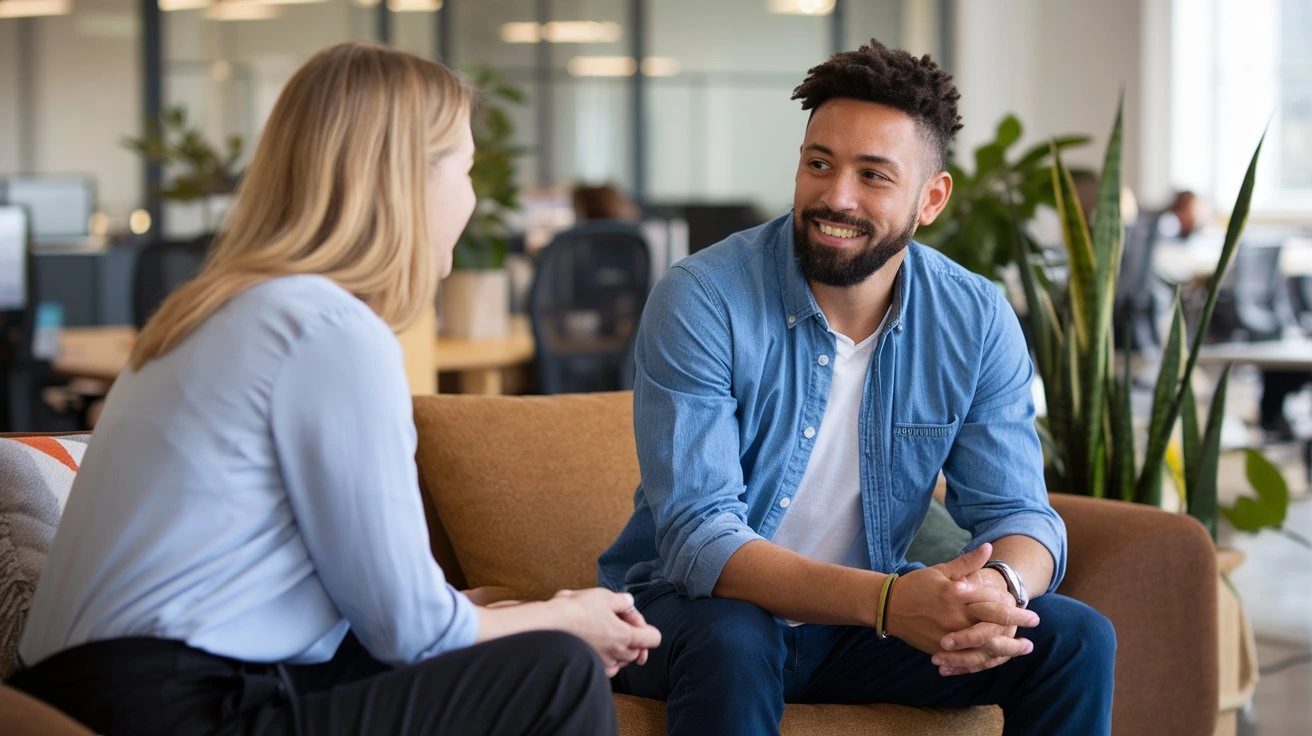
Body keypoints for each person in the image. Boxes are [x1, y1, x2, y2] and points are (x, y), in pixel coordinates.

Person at [6, 42, 659, 736]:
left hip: (76, 694)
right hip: (171, 708)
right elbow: (415, 633)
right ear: (407, 181)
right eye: (464, 169)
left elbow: (365, 606)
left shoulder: (213, 311)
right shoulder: (327, 330)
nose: (473, 199)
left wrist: (485, 618)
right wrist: (566, 614)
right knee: (555, 671)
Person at [598, 40, 1114, 735]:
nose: (835, 196)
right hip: (688, 613)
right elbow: (698, 537)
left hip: (854, 633)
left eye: (874, 175)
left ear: (930, 198)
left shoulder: (975, 317)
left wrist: (999, 589)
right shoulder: (703, 298)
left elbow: (1022, 514)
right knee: (735, 636)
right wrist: (887, 602)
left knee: (1074, 638)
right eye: (819, 164)